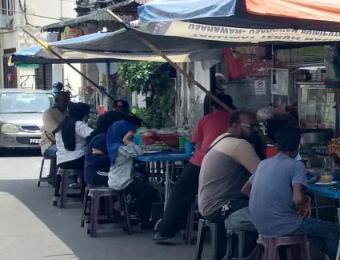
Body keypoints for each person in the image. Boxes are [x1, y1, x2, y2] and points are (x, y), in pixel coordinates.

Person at [246, 126, 340, 260]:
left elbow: (245, 189)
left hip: (259, 224)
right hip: (283, 225)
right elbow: (297, 199)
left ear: (278, 146)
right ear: (298, 146)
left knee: (315, 231)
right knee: (333, 229)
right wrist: (306, 200)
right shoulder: (296, 165)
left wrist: (270, 201)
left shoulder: (264, 164)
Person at [154, 99, 235, 244]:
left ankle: (165, 231)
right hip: (230, 167)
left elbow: (197, 145)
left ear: (211, 106)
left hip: (201, 162)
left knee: (180, 191)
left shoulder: (206, 119)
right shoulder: (238, 119)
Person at [196, 111, 260, 225]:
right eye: (251, 126)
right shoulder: (240, 145)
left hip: (207, 206)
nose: (256, 130)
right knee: (273, 214)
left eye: (257, 126)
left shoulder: (220, 139)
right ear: (235, 125)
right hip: (221, 206)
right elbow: (263, 176)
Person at [105, 120, 159, 230]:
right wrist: (127, 140)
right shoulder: (120, 148)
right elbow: (138, 152)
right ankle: (132, 212)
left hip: (120, 178)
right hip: (122, 181)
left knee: (145, 188)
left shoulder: (115, 145)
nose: (132, 134)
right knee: (149, 192)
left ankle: (134, 213)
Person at [53, 103, 93, 171]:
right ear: (83, 114)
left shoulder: (63, 124)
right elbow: (94, 135)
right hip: (76, 160)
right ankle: (87, 181)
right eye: (87, 115)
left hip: (61, 161)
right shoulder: (79, 125)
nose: (88, 117)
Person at [41, 90, 69, 157]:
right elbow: (56, 131)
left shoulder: (66, 112)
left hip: (63, 144)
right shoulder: (49, 113)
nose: (66, 103)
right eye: (64, 101)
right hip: (50, 145)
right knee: (69, 152)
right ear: (57, 101)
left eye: (68, 101)